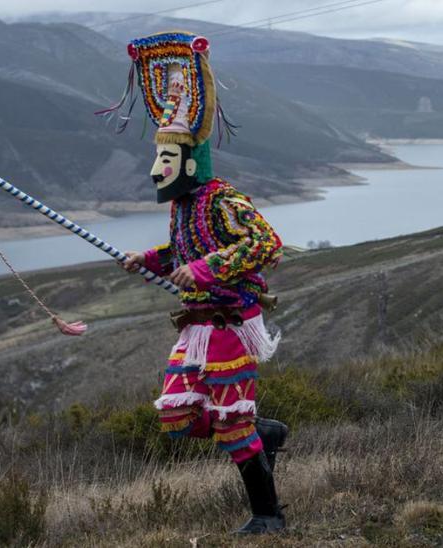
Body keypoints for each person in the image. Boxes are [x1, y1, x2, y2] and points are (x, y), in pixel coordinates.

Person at [101, 31, 288, 534]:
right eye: (157, 159)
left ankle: (268, 515)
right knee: (178, 414)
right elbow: (183, 254)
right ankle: (261, 431)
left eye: (164, 160)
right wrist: (151, 259)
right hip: (195, 328)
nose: (154, 169)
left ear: (187, 162)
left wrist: (205, 270)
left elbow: (267, 243)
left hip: (229, 326)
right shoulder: (183, 210)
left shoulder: (224, 199)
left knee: (231, 425)